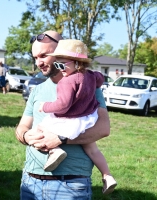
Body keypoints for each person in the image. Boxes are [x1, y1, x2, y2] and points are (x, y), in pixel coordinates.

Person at [15, 31, 111, 199]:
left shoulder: (87, 85)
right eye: (35, 57)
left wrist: (61, 139)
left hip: (70, 184)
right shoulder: (37, 90)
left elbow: (103, 128)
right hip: (30, 181)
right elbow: (22, 126)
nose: (39, 62)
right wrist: (25, 136)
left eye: (44, 55)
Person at [37, 39, 117, 194]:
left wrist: (45, 106)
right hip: (87, 119)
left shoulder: (67, 81)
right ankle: (107, 175)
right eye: (57, 65)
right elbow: (101, 78)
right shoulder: (91, 76)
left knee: (42, 126)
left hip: (68, 120)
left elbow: (63, 105)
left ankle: (55, 150)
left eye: (62, 65)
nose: (60, 69)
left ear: (76, 62)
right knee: (93, 149)